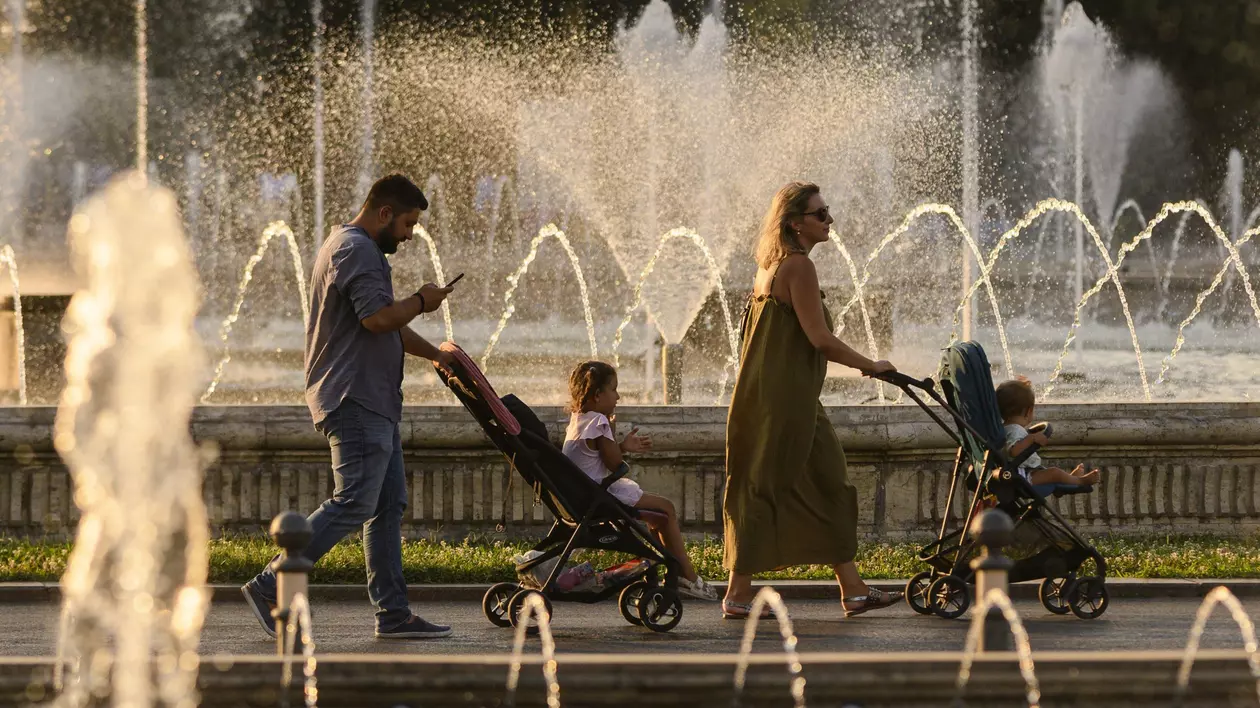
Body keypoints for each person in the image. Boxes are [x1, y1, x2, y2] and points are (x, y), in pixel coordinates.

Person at [242, 174, 457, 639]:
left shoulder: (353, 246)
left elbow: (388, 326)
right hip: (354, 396)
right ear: (384, 213)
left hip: (372, 399)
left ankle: (394, 615)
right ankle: (270, 584)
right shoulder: (357, 249)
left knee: (385, 504)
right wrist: (422, 300)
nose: (410, 233)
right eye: (407, 223)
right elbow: (378, 318)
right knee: (356, 499)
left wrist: (436, 355)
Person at [722, 181, 903, 620]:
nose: (829, 221)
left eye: (828, 212)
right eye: (820, 214)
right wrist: (870, 365)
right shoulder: (798, 267)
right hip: (787, 398)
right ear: (795, 222)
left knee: (814, 480)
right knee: (775, 483)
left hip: (769, 395)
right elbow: (819, 338)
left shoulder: (767, 267)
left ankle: (852, 588)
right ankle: (737, 595)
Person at [562, 361, 719, 601]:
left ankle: (673, 569)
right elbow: (616, 465)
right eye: (614, 390)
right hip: (601, 496)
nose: (618, 396)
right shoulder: (599, 422)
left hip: (585, 495)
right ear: (597, 395)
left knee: (659, 518)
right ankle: (688, 576)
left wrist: (620, 446)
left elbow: (600, 457)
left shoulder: (578, 420)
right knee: (667, 507)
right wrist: (615, 436)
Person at [997, 377, 1100, 487]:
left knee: (1052, 473)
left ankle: (1071, 479)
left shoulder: (1006, 428)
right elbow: (1014, 451)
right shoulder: (1014, 430)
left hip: (1021, 472)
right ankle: (1080, 481)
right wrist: (1031, 438)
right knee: (1054, 472)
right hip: (1022, 476)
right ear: (1029, 411)